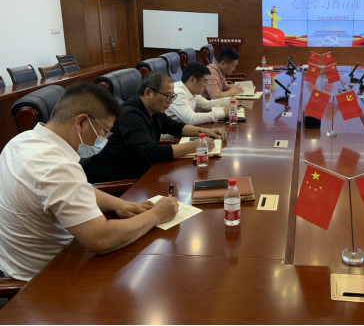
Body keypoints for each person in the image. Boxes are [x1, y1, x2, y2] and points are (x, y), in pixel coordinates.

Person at [0, 83, 180, 282]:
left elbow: (75, 189)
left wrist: (118, 204)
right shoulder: (57, 167)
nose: (105, 139)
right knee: (149, 274)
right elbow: (102, 239)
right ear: (81, 122)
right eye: (105, 131)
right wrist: (156, 215)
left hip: (17, 262)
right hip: (46, 276)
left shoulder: (21, 140)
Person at [85, 71, 226, 184]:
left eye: (172, 96)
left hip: (142, 172)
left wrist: (206, 132)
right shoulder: (129, 115)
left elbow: (176, 127)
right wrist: (195, 146)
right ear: (148, 93)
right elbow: (151, 152)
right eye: (168, 96)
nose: (170, 102)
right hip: (120, 182)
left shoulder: (153, 109)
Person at [167, 62, 233, 125]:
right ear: (192, 80)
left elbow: (207, 104)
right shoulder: (178, 93)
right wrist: (223, 113)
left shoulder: (191, 90)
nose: (206, 86)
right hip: (171, 133)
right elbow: (192, 119)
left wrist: (228, 101)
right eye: (204, 82)